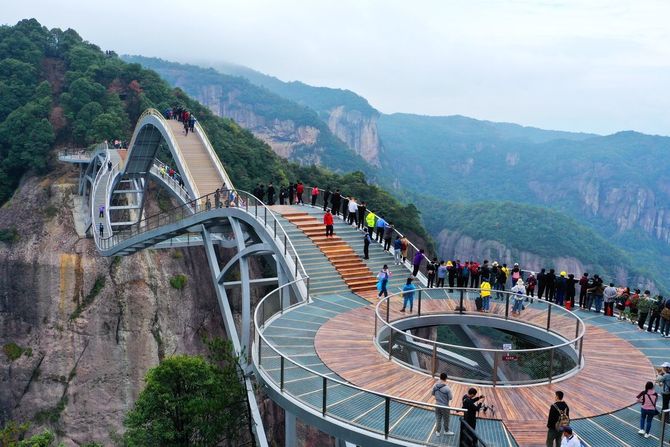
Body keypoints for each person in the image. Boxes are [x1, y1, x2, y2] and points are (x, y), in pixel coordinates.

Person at [432, 372, 454, 437]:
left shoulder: (435, 386)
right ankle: (446, 431)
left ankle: (438, 432)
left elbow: (432, 394)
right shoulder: (447, 388)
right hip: (445, 406)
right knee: (446, 419)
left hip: (437, 405)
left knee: (438, 418)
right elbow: (450, 398)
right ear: (446, 378)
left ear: (440, 377)